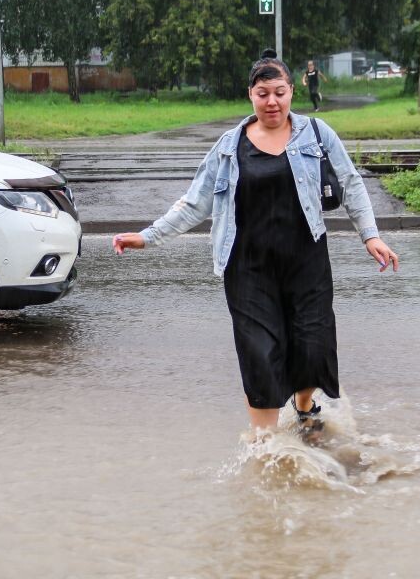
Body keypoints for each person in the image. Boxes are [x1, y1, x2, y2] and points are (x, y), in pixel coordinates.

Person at [111, 51, 398, 434]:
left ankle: (303, 403)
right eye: (263, 93)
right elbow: (195, 201)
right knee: (259, 356)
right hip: (247, 269)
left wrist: (371, 235)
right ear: (250, 95)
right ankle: (266, 446)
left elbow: (350, 183)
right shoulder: (229, 146)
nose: (272, 101)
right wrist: (147, 236)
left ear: (292, 92)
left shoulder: (316, 133)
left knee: (312, 347)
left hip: (306, 261)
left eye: (279, 92)